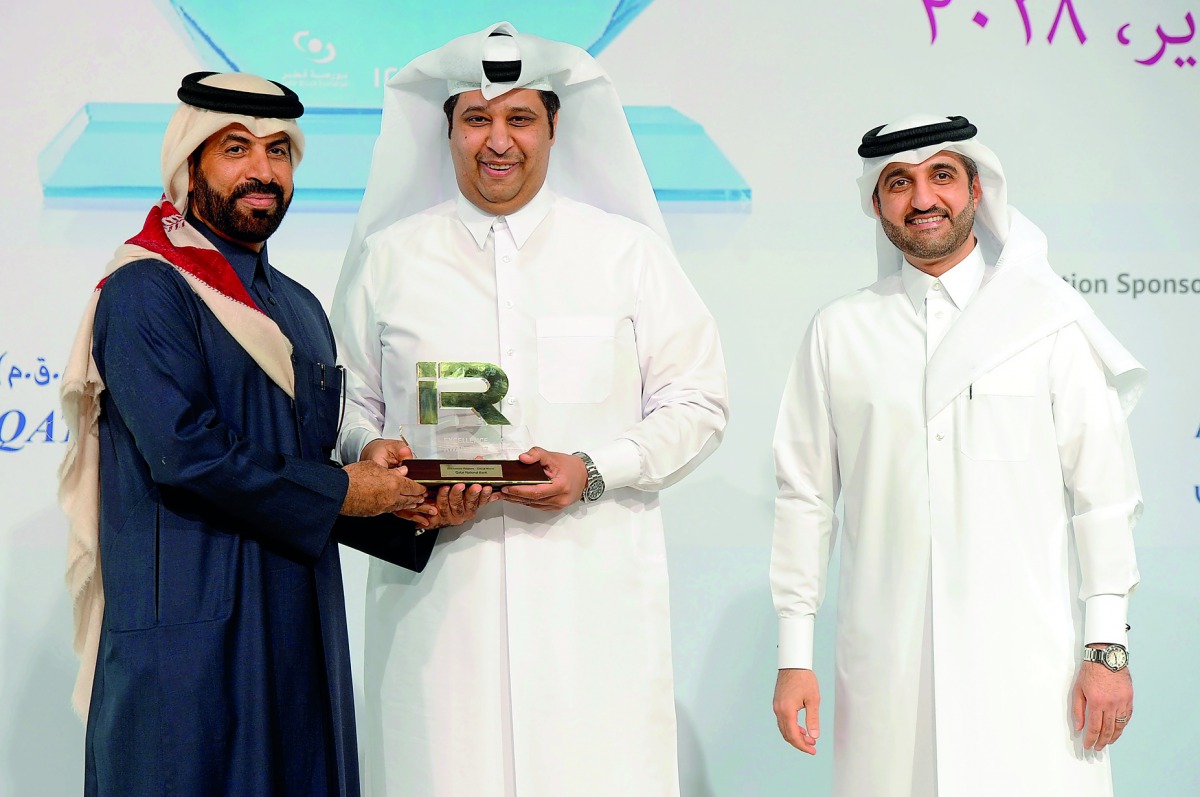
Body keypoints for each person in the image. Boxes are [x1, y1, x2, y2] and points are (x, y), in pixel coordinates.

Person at [332, 22, 730, 797]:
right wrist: (376, 454)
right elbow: (347, 401)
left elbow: (698, 398)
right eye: (476, 118)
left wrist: (594, 469)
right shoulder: (390, 259)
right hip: (437, 607)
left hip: (589, 605)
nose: (498, 141)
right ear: (446, 130)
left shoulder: (627, 255)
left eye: (520, 119)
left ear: (553, 128)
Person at [58, 71, 435, 796]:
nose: (263, 171)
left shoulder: (298, 307)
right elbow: (186, 455)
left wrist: (402, 503)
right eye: (236, 148)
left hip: (297, 646)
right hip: (189, 663)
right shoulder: (147, 288)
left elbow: (305, 473)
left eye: (279, 152)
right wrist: (345, 490)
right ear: (190, 163)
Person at [769, 115, 1144, 796]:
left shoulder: (1046, 321)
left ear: (976, 187)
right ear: (876, 203)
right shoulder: (839, 331)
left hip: (1032, 669)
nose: (922, 198)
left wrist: (1106, 648)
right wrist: (795, 656)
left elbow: (1105, 497)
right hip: (888, 669)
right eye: (897, 183)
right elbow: (804, 499)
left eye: (941, 175)